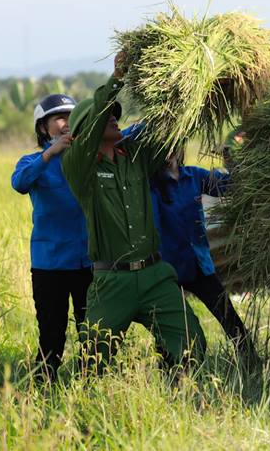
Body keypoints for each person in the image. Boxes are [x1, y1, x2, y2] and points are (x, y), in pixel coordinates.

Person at [61, 53, 206, 371]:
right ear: (88, 131)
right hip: (113, 281)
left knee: (192, 342)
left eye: (116, 115)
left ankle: (173, 394)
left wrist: (186, 84)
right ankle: (82, 407)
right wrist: (116, 80)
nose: (114, 118)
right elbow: (99, 112)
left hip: (155, 275)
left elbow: (170, 129)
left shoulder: (137, 157)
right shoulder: (79, 167)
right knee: (93, 362)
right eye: (106, 117)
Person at [147, 144, 257, 365]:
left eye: (172, 144)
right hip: (169, 268)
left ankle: (251, 362)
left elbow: (232, 185)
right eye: (161, 146)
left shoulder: (194, 176)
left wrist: (230, 160)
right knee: (171, 325)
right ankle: (170, 371)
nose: (168, 151)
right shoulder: (152, 186)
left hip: (199, 264)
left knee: (228, 317)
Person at [11, 94, 92, 381]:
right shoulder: (33, 161)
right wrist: (50, 154)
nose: (67, 123)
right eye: (59, 118)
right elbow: (19, 183)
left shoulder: (85, 157)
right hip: (50, 265)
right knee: (52, 335)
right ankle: (43, 387)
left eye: (72, 117)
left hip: (87, 263)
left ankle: (91, 387)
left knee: (92, 333)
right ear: (43, 128)